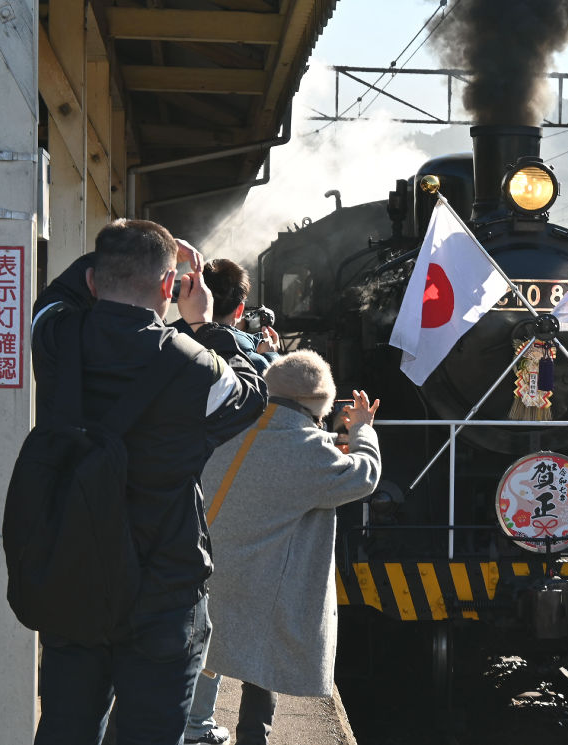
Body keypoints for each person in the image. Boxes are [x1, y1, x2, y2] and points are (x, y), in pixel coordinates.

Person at [30, 218, 268, 745]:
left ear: (93, 279)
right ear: (169, 286)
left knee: (66, 729)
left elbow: (55, 296)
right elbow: (252, 393)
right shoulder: (197, 367)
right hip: (163, 587)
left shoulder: (56, 335)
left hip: (74, 575)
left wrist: (116, 255)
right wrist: (205, 324)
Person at [200, 350, 381, 745]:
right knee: (264, 659)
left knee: (203, 658)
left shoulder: (234, 428)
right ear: (318, 405)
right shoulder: (308, 448)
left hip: (209, 573)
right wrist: (363, 430)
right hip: (259, 584)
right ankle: (253, 737)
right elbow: (364, 475)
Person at [184, 258, 281, 745]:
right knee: (223, 618)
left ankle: (187, 723)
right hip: (234, 504)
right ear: (240, 308)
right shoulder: (252, 360)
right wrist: (268, 358)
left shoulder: (163, 342)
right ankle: (220, 728)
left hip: (176, 494)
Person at [201, 258, 279, 372]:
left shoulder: (174, 338)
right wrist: (270, 355)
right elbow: (275, 381)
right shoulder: (255, 363)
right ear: (239, 311)